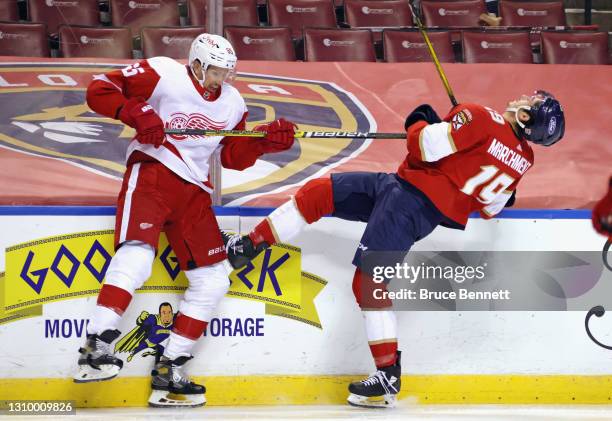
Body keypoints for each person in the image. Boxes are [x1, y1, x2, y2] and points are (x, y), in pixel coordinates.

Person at [224, 91, 565, 408]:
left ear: (524, 116)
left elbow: (425, 148)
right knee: (318, 193)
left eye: (531, 101)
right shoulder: (524, 160)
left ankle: (387, 374)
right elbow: (491, 207)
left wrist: (421, 121)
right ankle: (248, 246)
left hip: (410, 202)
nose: (523, 97)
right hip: (401, 188)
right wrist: (464, 146)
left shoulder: (479, 116)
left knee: (368, 283)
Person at [73, 33, 297, 408]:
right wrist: (136, 112)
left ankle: (170, 368)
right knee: (138, 254)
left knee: (212, 279)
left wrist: (262, 142)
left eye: (227, 72)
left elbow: (232, 157)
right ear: (195, 63)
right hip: (154, 172)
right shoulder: (163, 73)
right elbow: (100, 88)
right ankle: (97, 344)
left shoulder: (233, 102)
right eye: (215, 71)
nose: (221, 79)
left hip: (194, 191)